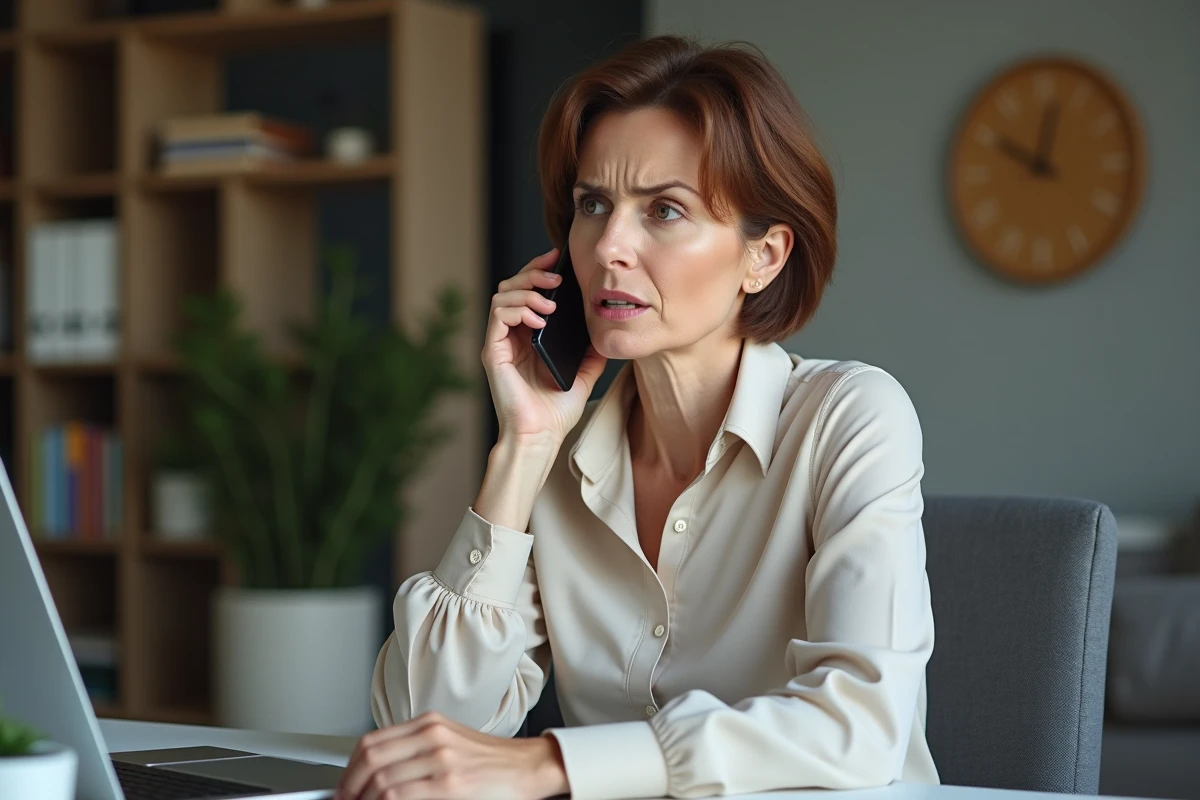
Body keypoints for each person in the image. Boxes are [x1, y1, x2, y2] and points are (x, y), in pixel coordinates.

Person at [336, 34, 939, 800]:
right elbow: (423, 733)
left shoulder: (851, 419)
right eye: (593, 205)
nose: (610, 247)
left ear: (766, 255)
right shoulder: (559, 455)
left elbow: (858, 728)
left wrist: (551, 764)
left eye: (664, 210)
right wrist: (522, 448)